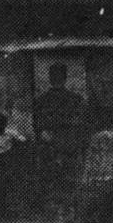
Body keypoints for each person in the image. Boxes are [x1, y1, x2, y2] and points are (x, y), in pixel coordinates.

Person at [34, 63, 87, 208]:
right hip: (63, 148)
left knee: (59, 182)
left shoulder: (42, 101)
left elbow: (39, 127)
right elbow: (39, 126)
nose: (56, 78)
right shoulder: (75, 99)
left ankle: (59, 207)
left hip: (59, 148)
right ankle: (61, 207)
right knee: (62, 182)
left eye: (57, 75)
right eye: (54, 75)